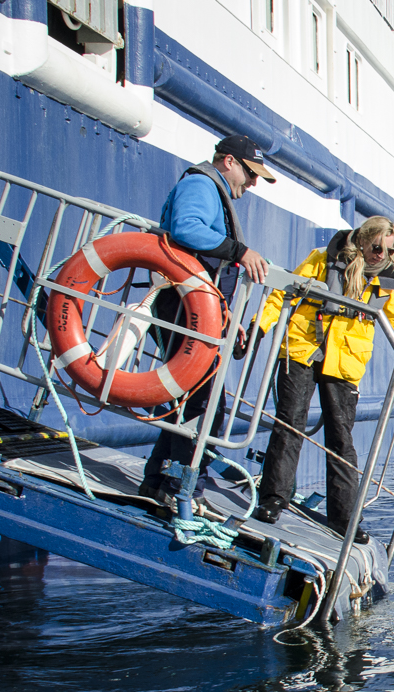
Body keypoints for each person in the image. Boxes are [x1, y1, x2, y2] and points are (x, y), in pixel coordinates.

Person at [252, 216, 394, 544]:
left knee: (341, 440)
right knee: (290, 424)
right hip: (303, 348)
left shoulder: (385, 283)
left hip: (344, 362)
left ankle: (343, 518)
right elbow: (281, 295)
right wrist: (258, 326)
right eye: (376, 247)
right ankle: (274, 498)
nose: (381, 255)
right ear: (362, 240)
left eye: (390, 251)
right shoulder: (322, 259)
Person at [139, 134, 274, 508]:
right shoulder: (201, 183)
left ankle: (159, 482)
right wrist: (240, 250)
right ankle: (180, 490)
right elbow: (186, 228)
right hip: (183, 308)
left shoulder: (215, 190)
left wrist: (229, 320)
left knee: (192, 400)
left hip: (199, 310)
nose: (252, 183)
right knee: (200, 404)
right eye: (250, 173)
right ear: (228, 161)